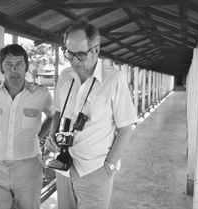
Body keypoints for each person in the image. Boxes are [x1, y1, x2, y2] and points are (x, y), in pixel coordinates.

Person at [46, 19, 138, 209]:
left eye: (80, 54)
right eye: (69, 54)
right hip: (63, 168)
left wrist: (108, 167)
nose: (73, 61)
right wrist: (51, 133)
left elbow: (126, 128)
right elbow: (56, 111)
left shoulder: (114, 79)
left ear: (96, 49)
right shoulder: (64, 77)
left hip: (94, 171)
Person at [0, 44, 53, 209]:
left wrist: (39, 135)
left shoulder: (41, 94)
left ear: (26, 66)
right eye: (8, 65)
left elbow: (53, 115)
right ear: (1, 68)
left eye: (19, 64)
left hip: (29, 170)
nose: (14, 70)